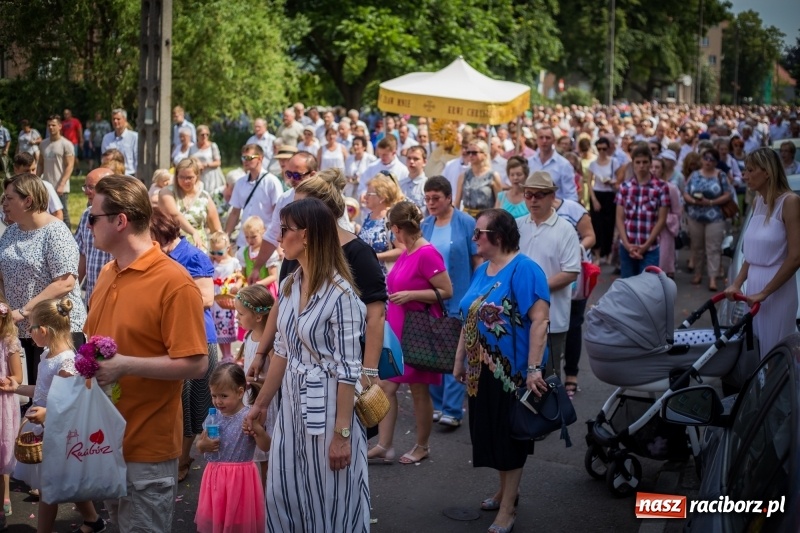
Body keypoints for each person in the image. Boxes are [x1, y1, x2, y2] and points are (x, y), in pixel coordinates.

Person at [84, 175, 208, 532]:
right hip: (106, 443)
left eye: (93, 217)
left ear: (120, 221)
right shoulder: (109, 272)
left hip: (148, 450)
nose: (88, 224)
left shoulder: (174, 282)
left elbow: (198, 363)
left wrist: (125, 366)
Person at [245, 198, 370, 532]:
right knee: (283, 493)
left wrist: (342, 434)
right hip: (291, 408)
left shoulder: (341, 295)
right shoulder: (290, 284)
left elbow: (348, 369)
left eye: (284, 230)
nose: (278, 236)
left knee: (329, 497)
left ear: (309, 236)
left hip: (330, 411)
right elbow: (283, 352)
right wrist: (260, 404)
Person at [453, 209, 550, 533]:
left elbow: (540, 321)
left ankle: (508, 507)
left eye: (478, 233)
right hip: (481, 371)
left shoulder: (526, 270)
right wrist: (459, 361)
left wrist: (535, 371)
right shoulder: (483, 269)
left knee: (511, 439)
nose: (473, 238)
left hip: (514, 375)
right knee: (492, 435)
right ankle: (504, 489)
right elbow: (468, 315)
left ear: (498, 236)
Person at [0, 298, 104, 533]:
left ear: (43, 330)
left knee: (49, 487)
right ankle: (93, 520)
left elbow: (75, 400)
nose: (28, 331)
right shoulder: (47, 354)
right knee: (64, 481)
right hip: (46, 428)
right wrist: (14, 387)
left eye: (31, 327)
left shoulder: (66, 361)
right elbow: (43, 390)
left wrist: (49, 413)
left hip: (60, 430)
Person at [370, 201, 454, 465]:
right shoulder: (407, 249)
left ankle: (422, 445)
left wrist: (412, 294)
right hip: (398, 330)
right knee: (385, 386)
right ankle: (385, 445)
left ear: (396, 228)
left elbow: (446, 291)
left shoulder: (427, 253)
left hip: (417, 332)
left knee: (418, 390)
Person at [0, 173, 87, 409]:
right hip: (21, 330)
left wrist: (25, 311)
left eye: (9, 198)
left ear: (28, 201)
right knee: (34, 398)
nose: (3, 204)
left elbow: (66, 282)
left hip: (54, 329)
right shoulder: (11, 232)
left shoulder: (55, 232)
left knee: (59, 401)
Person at [148, 207, 218, 484]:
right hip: (172, 339)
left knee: (190, 406)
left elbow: (207, 298)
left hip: (198, 339)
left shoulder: (191, 256)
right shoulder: (160, 257)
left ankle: (183, 459)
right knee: (175, 404)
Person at [725, 148, 800, 359]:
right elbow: (752, 254)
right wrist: (737, 283)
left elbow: (795, 257)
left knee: (772, 352)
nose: (744, 175)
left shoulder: (790, 202)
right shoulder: (758, 201)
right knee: (755, 350)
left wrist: (765, 292)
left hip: (777, 290)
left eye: (750, 170)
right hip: (754, 289)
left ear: (766, 171)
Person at [421, 176, 480, 427]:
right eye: (427, 198)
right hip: (431, 298)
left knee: (458, 352)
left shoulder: (466, 222)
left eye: (436, 198)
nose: (431, 203)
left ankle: (453, 409)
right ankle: (436, 404)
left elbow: (477, 259)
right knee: (433, 353)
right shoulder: (425, 225)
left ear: (449, 198)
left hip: (460, 295)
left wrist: (477, 292)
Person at [516, 171, 581, 381]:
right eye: (528, 195)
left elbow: (571, 273)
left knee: (548, 379)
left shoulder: (566, 229)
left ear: (552, 196)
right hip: (518, 315)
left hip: (552, 318)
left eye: (540, 194)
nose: (533, 199)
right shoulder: (517, 226)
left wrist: (534, 289)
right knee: (518, 376)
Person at [194, 364, 270, 533]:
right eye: (214, 395)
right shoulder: (213, 416)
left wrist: (257, 429)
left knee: (237, 523)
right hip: (214, 478)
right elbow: (201, 442)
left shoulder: (249, 416)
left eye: (223, 396)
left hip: (240, 480)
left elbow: (265, 446)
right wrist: (201, 445)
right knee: (216, 520)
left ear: (240, 392)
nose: (217, 401)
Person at [234, 285, 277, 484]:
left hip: (265, 401)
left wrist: (253, 380)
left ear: (258, 317)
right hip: (250, 399)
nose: (237, 317)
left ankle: (268, 500)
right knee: (252, 451)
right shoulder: (248, 336)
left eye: (241, 313)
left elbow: (277, 375)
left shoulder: (269, 343)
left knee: (266, 456)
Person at [683, 147, 735, 291]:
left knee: (713, 247)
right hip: (695, 216)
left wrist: (711, 202)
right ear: (701, 160)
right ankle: (698, 273)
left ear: (716, 162)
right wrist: (693, 201)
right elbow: (686, 192)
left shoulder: (721, 175)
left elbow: (727, 194)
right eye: (705, 158)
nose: (708, 161)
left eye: (712, 159)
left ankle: (712, 278)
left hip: (715, 216)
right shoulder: (694, 175)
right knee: (697, 247)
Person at [615, 146, 670, 278]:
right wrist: (627, 245)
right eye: (638, 162)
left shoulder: (661, 187)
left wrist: (646, 245)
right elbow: (619, 218)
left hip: (650, 246)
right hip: (628, 245)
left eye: (645, 162)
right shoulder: (625, 187)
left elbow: (662, 219)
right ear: (633, 163)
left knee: (647, 287)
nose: (641, 166)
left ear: (650, 163)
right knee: (628, 287)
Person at [225, 144, 284, 250]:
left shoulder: (272, 181)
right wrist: (226, 235)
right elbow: (235, 212)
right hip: (244, 241)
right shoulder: (240, 183)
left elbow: (278, 213)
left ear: (260, 158)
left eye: (249, 158)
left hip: (265, 240)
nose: (245, 161)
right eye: (243, 158)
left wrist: (277, 241)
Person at [159, 157, 223, 249]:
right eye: (182, 177)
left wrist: (221, 250)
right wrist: (193, 232)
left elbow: (216, 229)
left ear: (197, 176)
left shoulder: (204, 196)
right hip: (173, 249)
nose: (185, 181)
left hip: (198, 249)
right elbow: (174, 214)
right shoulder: (166, 192)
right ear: (176, 176)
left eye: (189, 177)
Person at [74, 167, 115, 305]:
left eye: (91, 187)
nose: (86, 192)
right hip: (92, 299)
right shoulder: (87, 215)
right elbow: (82, 257)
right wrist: (72, 292)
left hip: (115, 300)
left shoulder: (122, 218)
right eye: (85, 186)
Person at [0, 297, 21, 529]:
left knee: (2, 450)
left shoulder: (8, 341)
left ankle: (4, 494)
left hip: (2, 403)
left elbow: (17, 377)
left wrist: (6, 380)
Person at [358, 173, 404, 275]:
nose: (365, 197)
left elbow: (402, 250)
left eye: (369, 194)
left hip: (385, 280)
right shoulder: (369, 217)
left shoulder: (391, 219)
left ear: (382, 197)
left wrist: (376, 256)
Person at [209, 231, 242, 363]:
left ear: (227, 249)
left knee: (226, 324)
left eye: (220, 253)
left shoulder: (233, 262)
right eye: (213, 252)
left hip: (227, 297)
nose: (216, 256)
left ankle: (229, 354)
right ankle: (224, 355)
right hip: (216, 299)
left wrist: (237, 286)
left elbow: (239, 277)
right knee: (218, 326)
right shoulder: (213, 263)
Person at [37, 115, 75, 227]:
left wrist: (62, 184)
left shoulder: (66, 144)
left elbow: (70, 165)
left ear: (59, 126)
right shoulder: (43, 144)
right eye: (48, 125)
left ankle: (68, 239)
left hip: (60, 186)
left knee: (63, 214)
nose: (50, 127)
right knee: (46, 213)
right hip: (46, 185)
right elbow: (40, 164)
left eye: (53, 125)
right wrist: (36, 180)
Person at [528, 126, 579, 202]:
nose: (544, 141)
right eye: (541, 137)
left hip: (556, 210)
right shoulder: (529, 162)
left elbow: (571, 196)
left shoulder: (564, 165)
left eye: (548, 138)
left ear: (553, 140)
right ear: (536, 140)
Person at [588, 136, 618, 265]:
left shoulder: (614, 162)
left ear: (608, 148)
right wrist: (593, 199)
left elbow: (619, 179)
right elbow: (589, 182)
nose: (601, 151)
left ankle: (608, 253)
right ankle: (598, 254)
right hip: (597, 194)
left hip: (609, 194)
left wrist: (611, 182)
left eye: (604, 149)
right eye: (599, 149)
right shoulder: (593, 164)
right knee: (596, 225)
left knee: (609, 225)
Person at [455, 139, 503, 218]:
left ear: (484, 154)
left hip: (486, 218)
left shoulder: (493, 175)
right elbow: (457, 202)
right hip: (466, 217)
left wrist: (493, 220)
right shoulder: (463, 175)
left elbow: (499, 202)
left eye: (474, 153)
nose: (470, 155)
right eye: (468, 152)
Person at [12, 152, 64, 221]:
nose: (31, 174)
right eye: (26, 171)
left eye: (33, 169)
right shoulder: (11, 189)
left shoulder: (45, 187)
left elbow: (58, 214)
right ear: (16, 169)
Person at [236, 216, 279, 299]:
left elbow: (273, 276)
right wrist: (237, 285)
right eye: (247, 237)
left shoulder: (268, 253)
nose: (250, 240)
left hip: (266, 291)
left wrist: (258, 284)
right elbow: (243, 274)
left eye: (253, 237)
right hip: (251, 291)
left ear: (263, 233)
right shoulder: (244, 252)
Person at [100, 109, 138, 176]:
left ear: (125, 120)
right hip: (110, 175)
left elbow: (137, 159)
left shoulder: (134, 137)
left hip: (129, 175)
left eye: (118, 119)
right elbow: (104, 159)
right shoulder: (107, 138)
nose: (115, 121)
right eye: (113, 119)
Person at [190, 125, 225, 193]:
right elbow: (189, 160)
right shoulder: (192, 147)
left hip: (211, 176)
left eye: (207, 134)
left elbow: (218, 162)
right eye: (202, 135)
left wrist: (205, 165)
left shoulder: (212, 146)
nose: (205, 136)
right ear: (197, 135)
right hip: (199, 176)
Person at [344, 135, 377, 200]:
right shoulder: (349, 159)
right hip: (350, 192)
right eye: (354, 144)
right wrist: (350, 179)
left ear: (364, 147)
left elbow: (375, 177)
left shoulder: (371, 159)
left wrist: (361, 179)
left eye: (357, 144)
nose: (355, 147)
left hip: (365, 192)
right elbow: (345, 175)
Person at [399, 145, 428, 214]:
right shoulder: (399, 185)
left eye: (416, 159)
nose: (411, 161)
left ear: (424, 162)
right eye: (409, 158)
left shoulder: (428, 185)